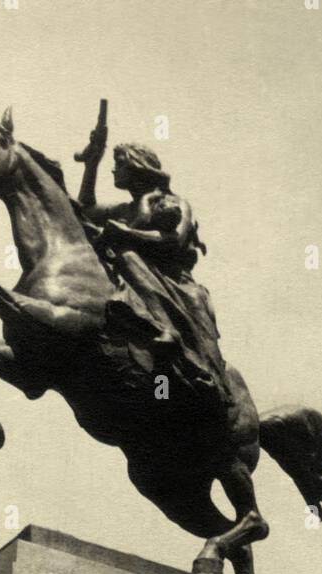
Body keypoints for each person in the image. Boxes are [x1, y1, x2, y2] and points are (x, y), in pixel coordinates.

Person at [76, 135, 230, 410]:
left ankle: (171, 337)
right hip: (131, 273)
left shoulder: (174, 202)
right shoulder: (125, 208)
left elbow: (176, 240)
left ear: (137, 167)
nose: (114, 169)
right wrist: (92, 163)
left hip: (173, 280)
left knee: (126, 256)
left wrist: (127, 233)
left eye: (119, 163)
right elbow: (85, 209)